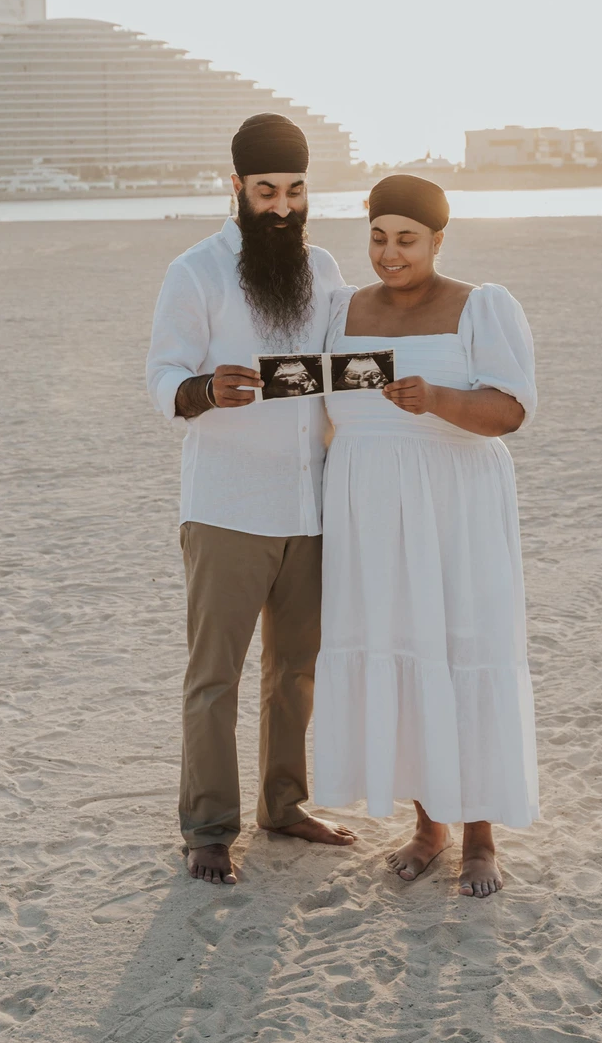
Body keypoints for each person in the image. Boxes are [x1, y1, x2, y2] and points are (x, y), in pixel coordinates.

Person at [313, 174, 540, 897]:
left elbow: (508, 412)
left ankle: (479, 836)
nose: (389, 253)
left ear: (437, 241)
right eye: (377, 237)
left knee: (464, 647)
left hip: (455, 504)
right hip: (369, 505)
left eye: (406, 239)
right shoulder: (341, 309)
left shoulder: (480, 305)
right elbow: (319, 404)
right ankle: (427, 825)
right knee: (400, 646)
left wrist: (435, 398)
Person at [146, 112, 357, 884]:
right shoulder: (194, 271)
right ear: (234, 188)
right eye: (265, 191)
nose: (281, 207)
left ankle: (285, 804)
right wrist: (205, 389)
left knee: (296, 670)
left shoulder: (326, 267)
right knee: (215, 677)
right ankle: (207, 827)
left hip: (311, 503)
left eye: (295, 191)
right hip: (227, 506)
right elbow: (160, 378)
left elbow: (345, 367)